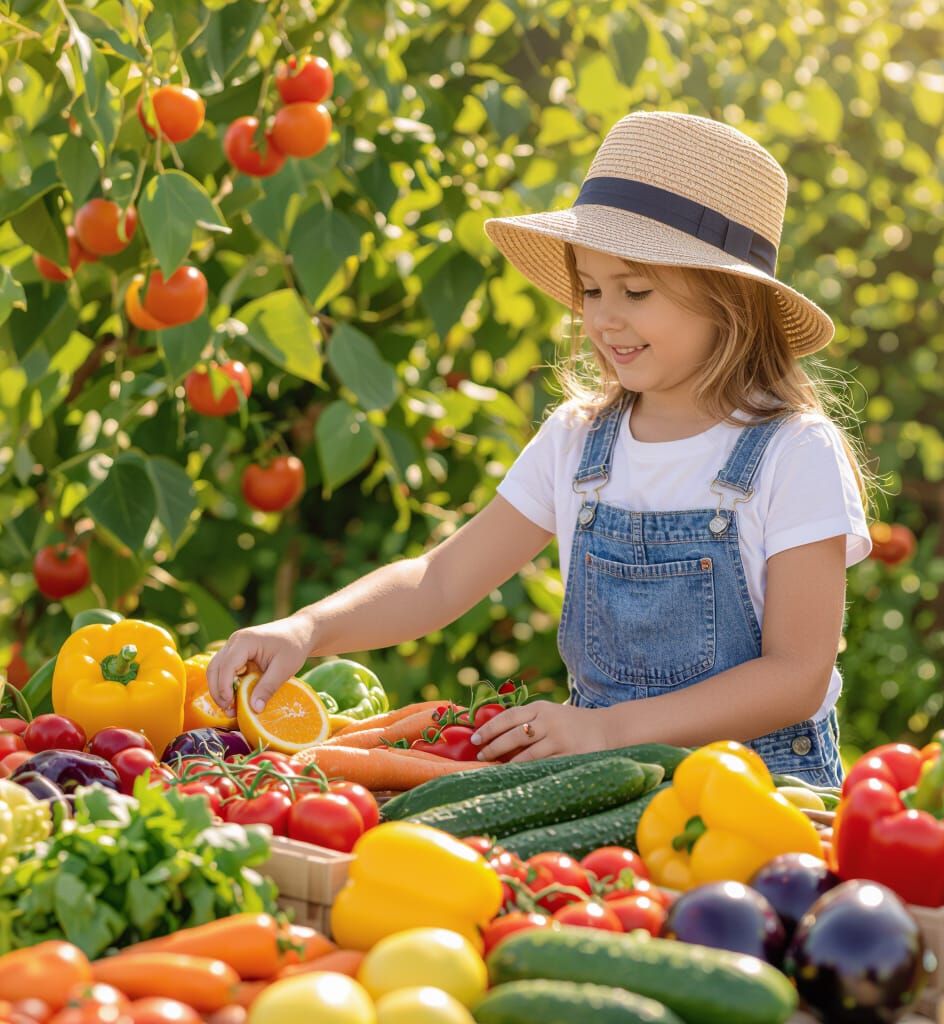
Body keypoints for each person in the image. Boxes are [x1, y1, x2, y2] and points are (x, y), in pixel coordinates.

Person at [206, 110, 873, 786]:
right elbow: (438, 582)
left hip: (760, 794)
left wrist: (607, 728)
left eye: (635, 291)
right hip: (600, 784)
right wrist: (306, 629)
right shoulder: (581, 442)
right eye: (589, 289)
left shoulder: (792, 452)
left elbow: (796, 674)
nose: (603, 317)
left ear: (730, 301)